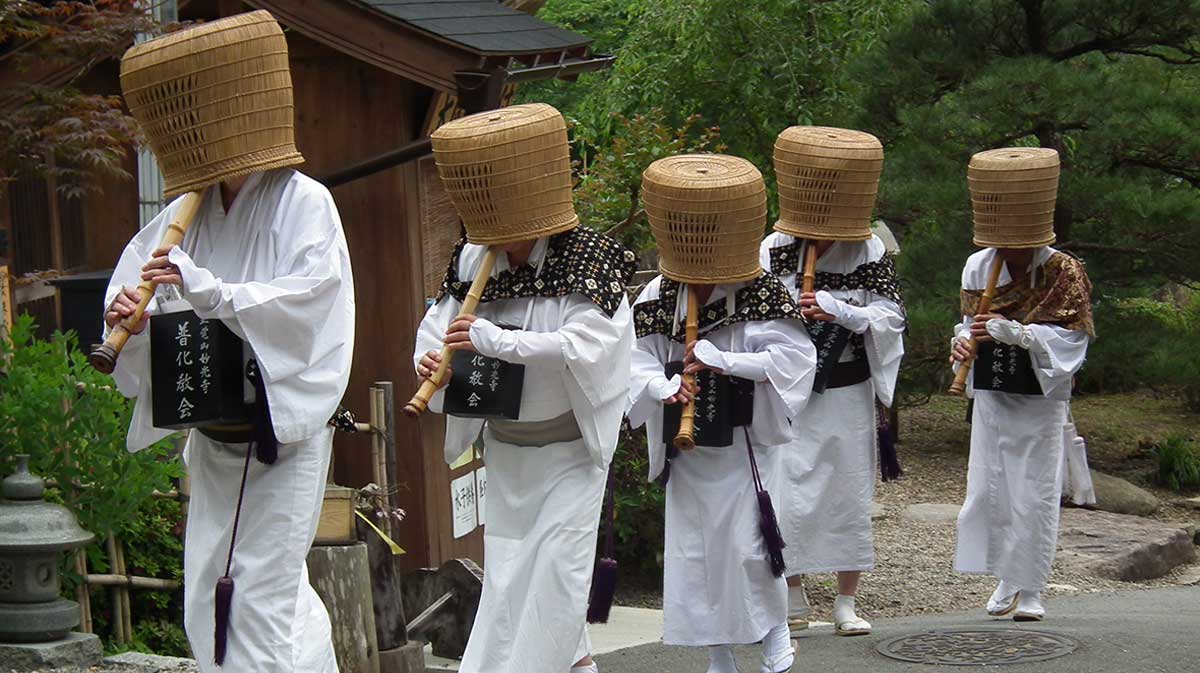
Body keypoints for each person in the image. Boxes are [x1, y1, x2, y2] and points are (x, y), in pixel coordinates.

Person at [101, 11, 353, 673]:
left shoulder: (304, 202)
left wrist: (209, 290)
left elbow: (309, 302)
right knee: (207, 599)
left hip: (282, 440)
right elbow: (136, 285)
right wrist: (123, 313)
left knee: (259, 601)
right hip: (215, 439)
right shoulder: (188, 208)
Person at [412, 103, 636, 673]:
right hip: (507, 448)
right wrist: (431, 360)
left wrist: (496, 339)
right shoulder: (472, 256)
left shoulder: (588, 255)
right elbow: (436, 324)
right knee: (512, 574)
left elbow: (585, 345)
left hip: (569, 453)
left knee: (557, 573)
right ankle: (576, 663)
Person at [628, 154, 816, 673]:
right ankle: (719, 653)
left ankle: (776, 633)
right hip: (690, 450)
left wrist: (728, 360)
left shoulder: (761, 290)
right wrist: (660, 385)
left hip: (745, 443)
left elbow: (797, 360)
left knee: (752, 544)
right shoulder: (659, 293)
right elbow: (632, 359)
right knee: (699, 552)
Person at [761, 126, 905, 637]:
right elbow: (754, 316)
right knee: (792, 483)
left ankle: (846, 600)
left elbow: (890, 318)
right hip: (789, 387)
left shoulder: (868, 249)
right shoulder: (773, 246)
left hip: (846, 385)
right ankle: (794, 592)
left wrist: (839, 309)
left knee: (847, 486)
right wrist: (790, 313)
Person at [950, 147, 1094, 622]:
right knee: (992, 486)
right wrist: (963, 344)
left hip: (1038, 397)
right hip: (994, 389)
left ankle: (1032, 585)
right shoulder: (978, 264)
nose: (1006, 252)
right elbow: (968, 322)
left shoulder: (1063, 270)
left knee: (1033, 487)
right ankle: (1005, 577)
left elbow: (1071, 342)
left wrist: (1021, 334)